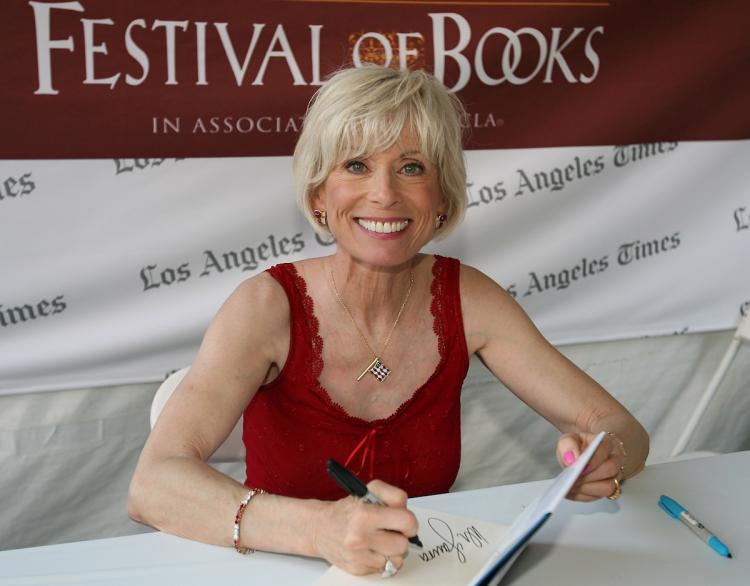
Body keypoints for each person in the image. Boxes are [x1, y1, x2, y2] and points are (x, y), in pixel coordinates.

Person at [128, 65, 649, 577]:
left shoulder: (471, 298)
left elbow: (618, 426)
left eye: (412, 167)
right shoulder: (266, 305)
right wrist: (319, 530)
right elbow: (152, 486)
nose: (384, 193)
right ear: (318, 195)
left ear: (442, 199)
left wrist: (607, 457)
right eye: (356, 165)